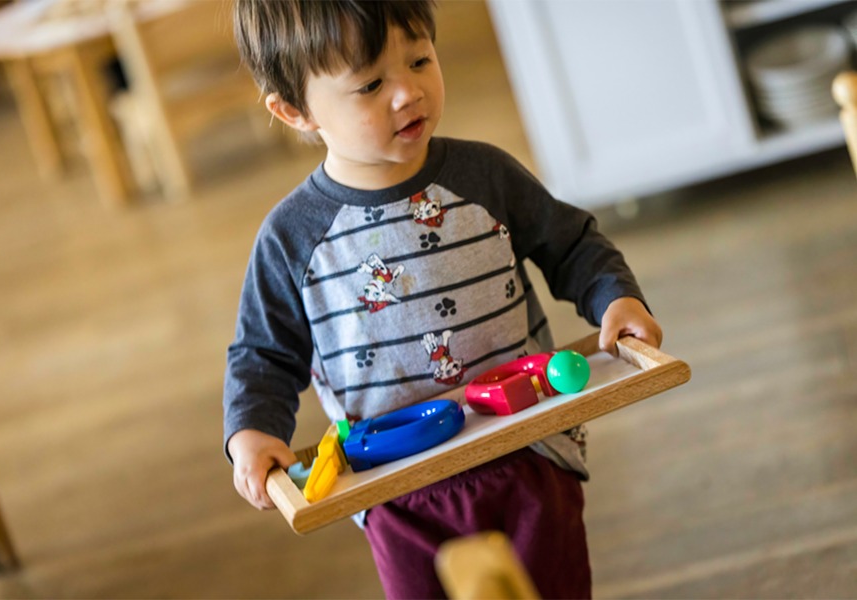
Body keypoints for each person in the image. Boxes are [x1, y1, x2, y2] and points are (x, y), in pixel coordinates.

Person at [224, 1, 663, 598]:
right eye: (371, 84)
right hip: (396, 491)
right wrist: (250, 429)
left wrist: (615, 299)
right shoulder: (293, 237)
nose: (408, 93)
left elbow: (571, 244)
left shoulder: (485, 176)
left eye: (420, 59)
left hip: (530, 450)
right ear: (295, 110)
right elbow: (262, 354)